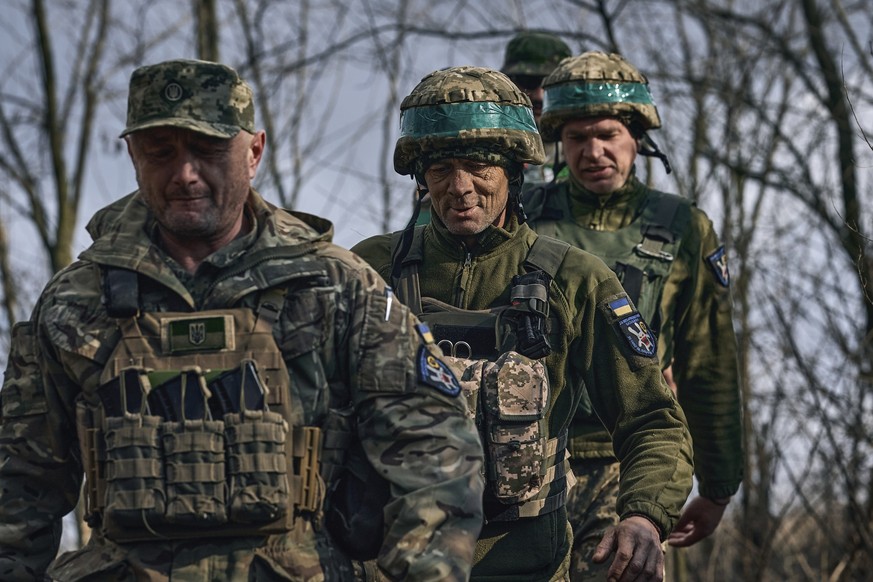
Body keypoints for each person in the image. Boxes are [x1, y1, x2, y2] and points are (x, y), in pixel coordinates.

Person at [0, 58, 486, 581]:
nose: (185, 174)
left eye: (208, 150)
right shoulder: (77, 299)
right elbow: (20, 483)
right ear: (133, 156)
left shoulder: (335, 286)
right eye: (160, 152)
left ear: (253, 151)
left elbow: (436, 456)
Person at [351, 65, 694, 582]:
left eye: (478, 166)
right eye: (441, 169)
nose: (459, 188)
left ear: (515, 171)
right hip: (391, 561)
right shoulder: (370, 272)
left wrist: (644, 515)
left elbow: (652, 420)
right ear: (421, 177)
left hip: (527, 563)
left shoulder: (576, 280)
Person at [523, 51, 744, 579]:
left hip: (632, 460)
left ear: (636, 138)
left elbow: (707, 363)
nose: (592, 151)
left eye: (607, 134)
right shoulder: (522, 214)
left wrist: (716, 487)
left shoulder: (683, 227)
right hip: (526, 458)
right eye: (576, 138)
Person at [501, 31, 572, 184]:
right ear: (508, 84)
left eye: (551, 83)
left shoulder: (587, 149)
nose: (540, 95)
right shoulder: (489, 148)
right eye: (528, 81)